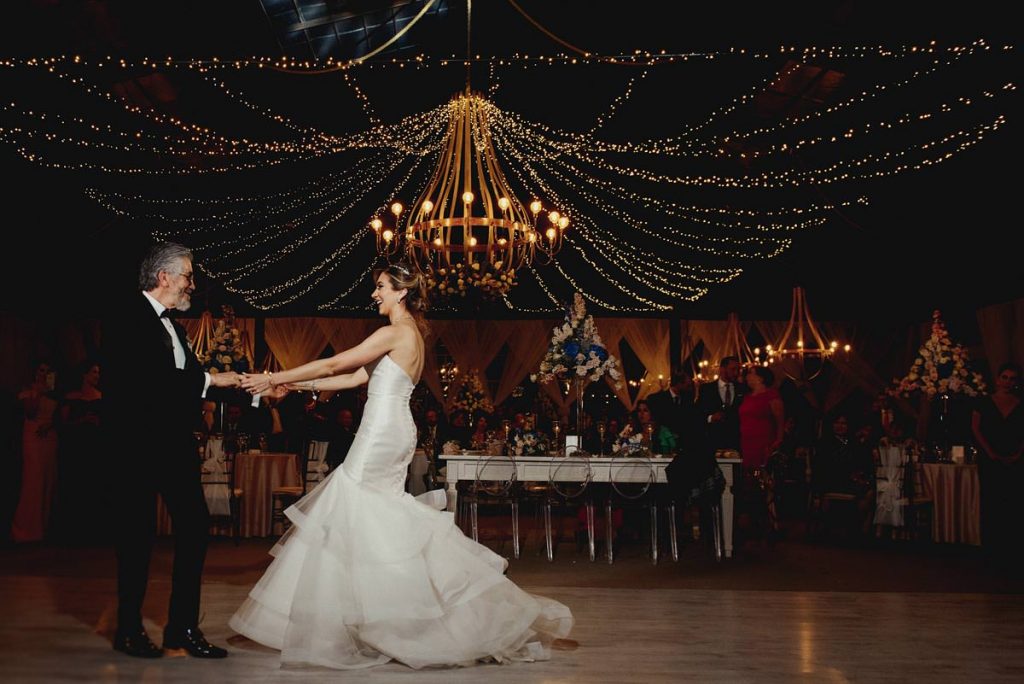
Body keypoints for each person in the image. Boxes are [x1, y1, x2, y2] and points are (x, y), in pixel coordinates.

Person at [234, 262, 573, 670]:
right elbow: (353, 378)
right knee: (373, 512)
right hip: (392, 429)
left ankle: (374, 616)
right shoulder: (409, 334)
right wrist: (296, 385)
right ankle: (374, 611)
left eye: (380, 286)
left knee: (355, 505)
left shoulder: (395, 332)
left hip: (381, 432)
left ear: (401, 292)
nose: (374, 293)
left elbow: (334, 364)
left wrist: (274, 379)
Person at [103, 242, 240, 659]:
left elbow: (197, 381)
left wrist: (257, 391)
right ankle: (128, 630)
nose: (192, 285)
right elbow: (151, 379)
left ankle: (182, 628)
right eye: (188, 276)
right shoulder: (126, 317)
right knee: (136, 537)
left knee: (195, 529)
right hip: (134, 448)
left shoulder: (176, 329)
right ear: (164, 277)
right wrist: (212, 381)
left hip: (175, 447)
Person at [971, 362, 1023, 561]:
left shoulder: (1020, 403)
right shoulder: (984, 402)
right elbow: (975, 428)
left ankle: (1011, 549)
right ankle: (991, 548)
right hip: (990, 458)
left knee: (1013, 502)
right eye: (1005, 377)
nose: (1008, 382)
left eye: (1012, 378)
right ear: (998, 379)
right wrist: (990, 452)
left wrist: (1019, 454)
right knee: (991, 501)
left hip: (1015, 458)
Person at [55, 359, 104, 542]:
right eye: (94, 372)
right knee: (75, 484)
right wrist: (81, 421)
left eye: (98, 372)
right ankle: (73, 531)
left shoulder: (101, 397)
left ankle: (94, 530)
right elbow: (62, 423)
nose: (97, 375)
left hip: (95, 447)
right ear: (84, 375)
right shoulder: (72, 397)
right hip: (75, 447)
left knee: (93, 484)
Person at [10, 360, 59, 543]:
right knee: (33, 481)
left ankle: (43, 528)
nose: (44, 374)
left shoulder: (55, 393)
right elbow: (30, 413)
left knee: (48, 480)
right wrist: (38, 392)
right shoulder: (28, 392)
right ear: (35, 372)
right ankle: (26, 529)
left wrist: (51, 425)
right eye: (41, 370)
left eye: (48, 371)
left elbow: (60, 416)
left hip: (50, 438)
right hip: (33, 438)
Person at [696, 356, 745, 454]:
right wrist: (711, 418)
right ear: (722, 369)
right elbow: (697, 412)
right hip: (713, 439)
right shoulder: (707, 389)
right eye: (733, 369)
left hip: (736, 440)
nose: (736, 373)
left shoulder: (742, 388)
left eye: (738, 370)